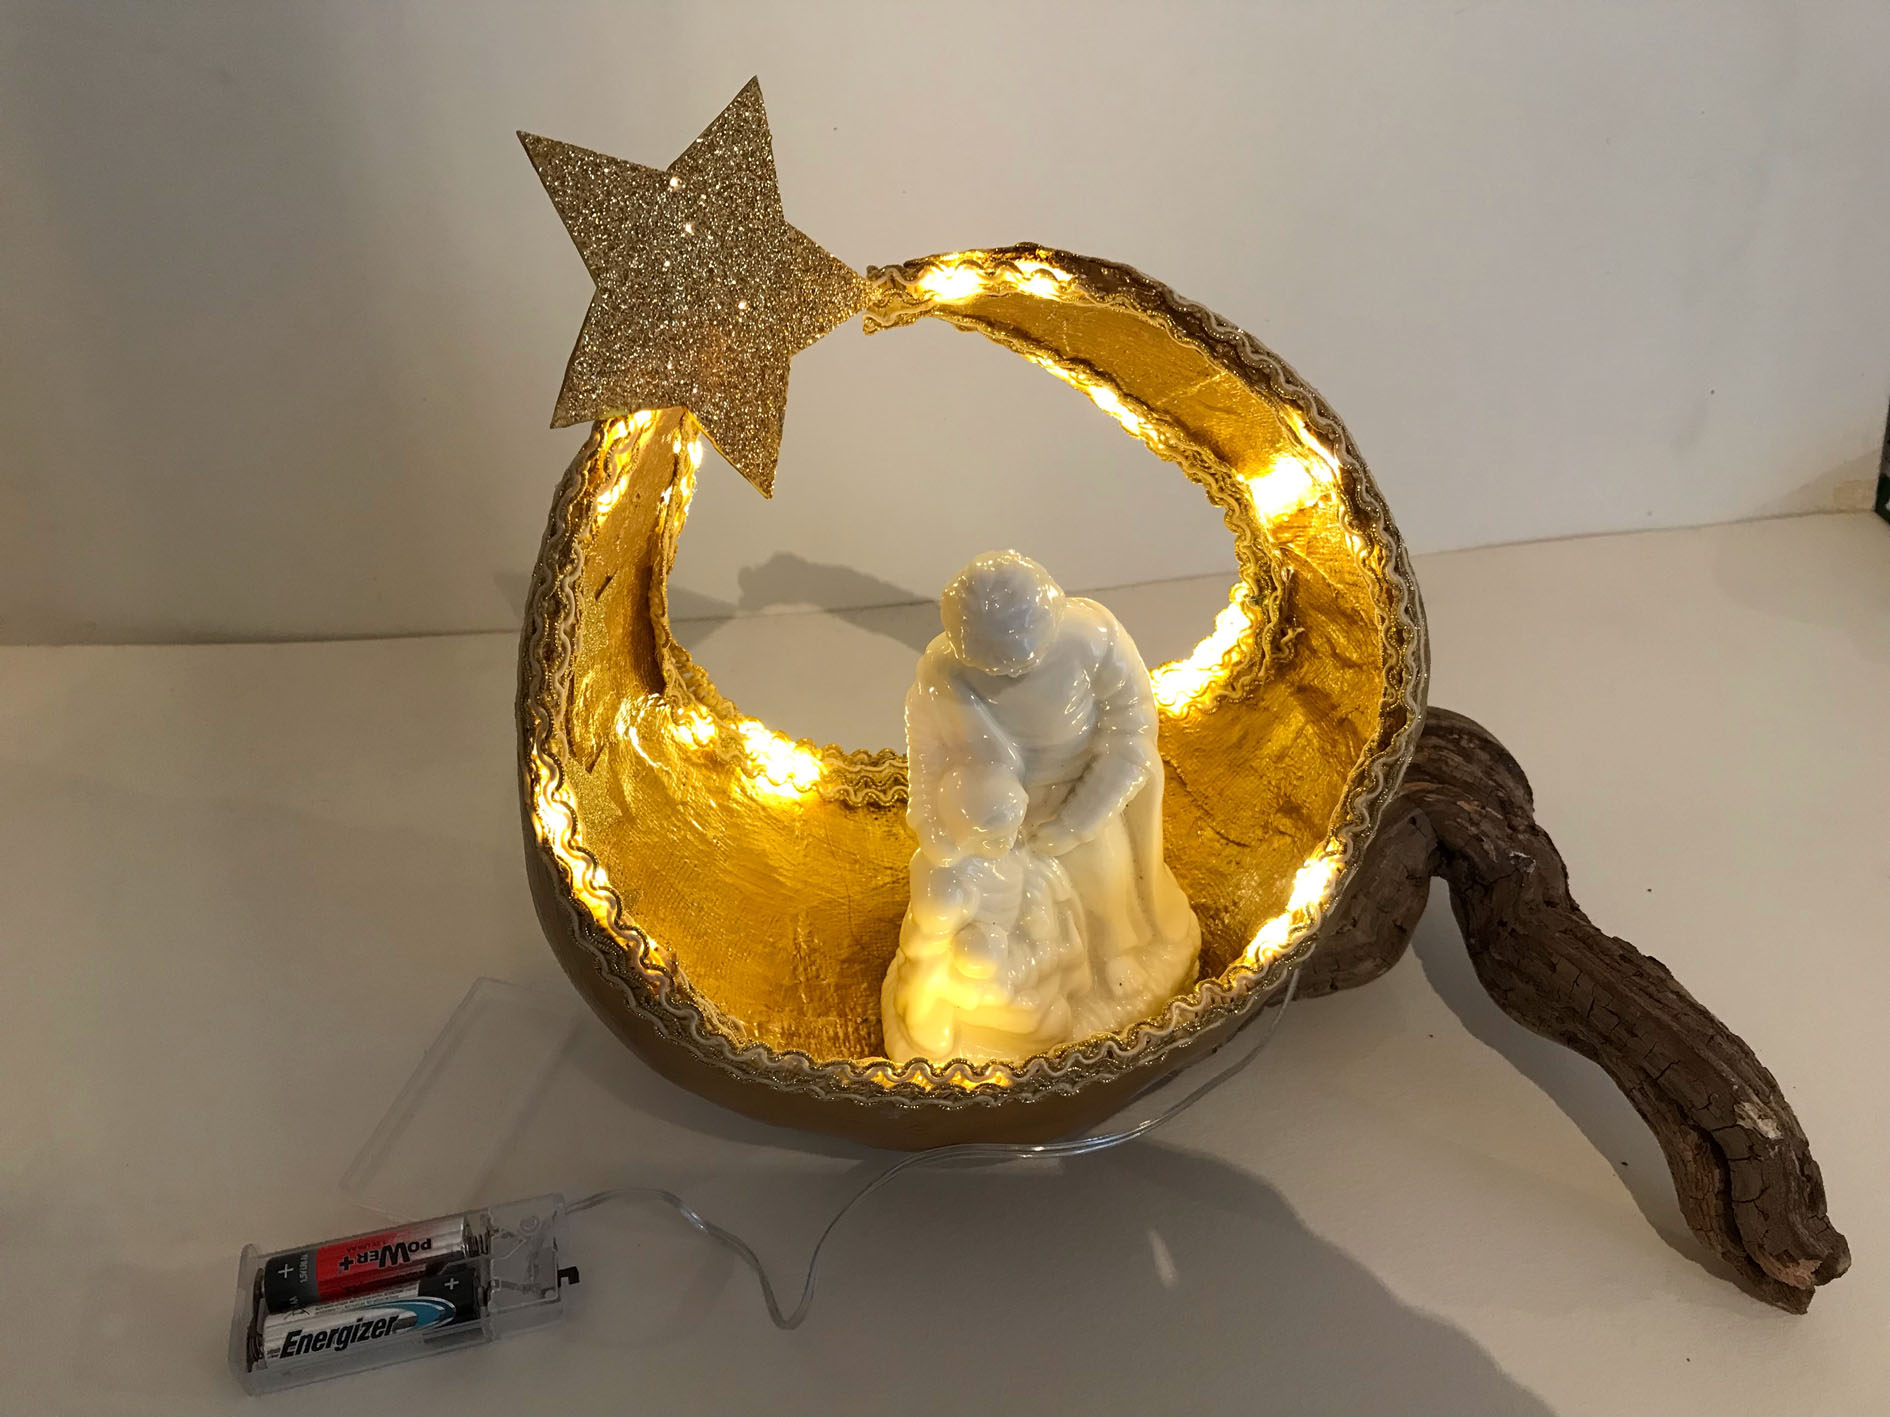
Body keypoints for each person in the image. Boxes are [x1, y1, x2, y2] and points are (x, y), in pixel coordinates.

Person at [882, 551, 1201, 1064]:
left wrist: (1079, 818)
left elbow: (1131, 729)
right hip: (991, 803)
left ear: (1049, 619)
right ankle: (997, 991)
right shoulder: (943, 673)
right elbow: (927, 755)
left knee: (1104, 871)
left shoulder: (1092, 637)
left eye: (1016, 656)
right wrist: (929, 818)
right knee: (998, 899)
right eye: (987, 661)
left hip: (1084, 784)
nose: (1004, 671)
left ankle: (1115, 949)